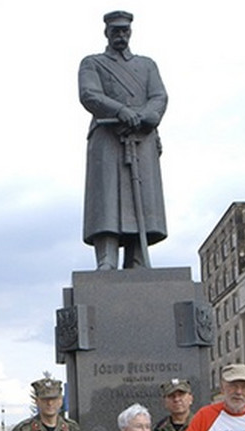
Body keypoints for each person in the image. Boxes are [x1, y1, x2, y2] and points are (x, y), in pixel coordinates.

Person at [78, 10, 168, 270]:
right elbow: (89, 94)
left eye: (124, 30)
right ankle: (106, 258)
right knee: (107, 200)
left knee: (141, 198)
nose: (120, 35)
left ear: (130, 32)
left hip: (142, 137)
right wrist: (120, 111)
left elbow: (159, 96)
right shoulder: (92, 63)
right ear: (106, 32)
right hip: (108, 137)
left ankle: (137, 259)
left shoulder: (147, 65)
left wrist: (146, 116)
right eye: (115, 30)